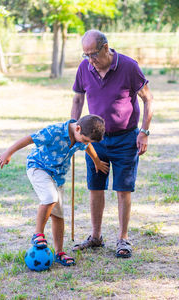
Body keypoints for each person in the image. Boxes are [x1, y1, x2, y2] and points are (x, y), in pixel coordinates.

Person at [71, 30, 153, 258]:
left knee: (123, 189)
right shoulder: (84, 68)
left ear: (106, 48)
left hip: (126, 138)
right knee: (95, 187)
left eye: (93, 54)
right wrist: (73, 132)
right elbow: (78, 99)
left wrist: (144, 132)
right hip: (94, 140)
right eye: (85, 54)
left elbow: (148, 99)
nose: (89, 59)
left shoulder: (128, 66)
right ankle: (96, 237)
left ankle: (123, 239)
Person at [0, 115, 109, 266]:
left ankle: (59, 252)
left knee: (57, 214)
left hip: (58, 177)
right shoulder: (54, 131)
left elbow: (87, 146)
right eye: (86, 139)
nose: (86, 143)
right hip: (38, 167)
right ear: (78, 128)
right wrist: (8, 152)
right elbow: (30, 138)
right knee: (50, 197)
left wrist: (97, 161)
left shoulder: (81, 137)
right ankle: (38, 234)